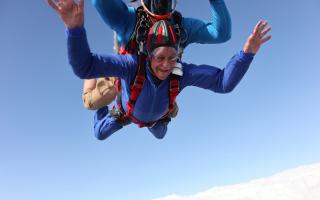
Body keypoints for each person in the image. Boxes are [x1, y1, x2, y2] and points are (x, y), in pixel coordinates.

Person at [48, 0, 272, 140]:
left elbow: (222, 51)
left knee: (161, 131)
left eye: (171, 57)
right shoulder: (131, 28)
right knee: (96, 119)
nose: (166, 64)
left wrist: (247, 53)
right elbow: (85, 62)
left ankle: (156, 111)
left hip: (159, 104)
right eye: (160, 58)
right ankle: (97, 85)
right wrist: (74, 28)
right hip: (126, 97)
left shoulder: (180, 41)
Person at [82, 0, 232, 111]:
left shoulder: (181, 27)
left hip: (160, 82)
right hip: (126, 76)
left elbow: (221, 34)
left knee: (170, 112)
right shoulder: (129, 20)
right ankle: (93, 68)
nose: (160, 5)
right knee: (90, 101)